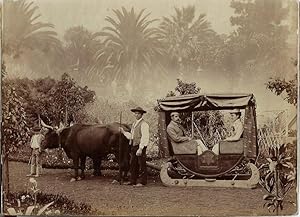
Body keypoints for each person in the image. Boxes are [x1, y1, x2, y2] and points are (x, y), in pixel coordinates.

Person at [119, 106, 149, 187]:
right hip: (134, 146)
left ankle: (142, 182)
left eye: (138, 113)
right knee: (133, 164)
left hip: (140, 146)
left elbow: (145, 137)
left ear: (142, 114)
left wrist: (140, 148)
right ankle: (132, 181)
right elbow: (132, 136)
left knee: (141, 164)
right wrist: (123, 132)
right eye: (135, 113)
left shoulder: (144, 124)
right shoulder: (134, 124)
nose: (136, 115)